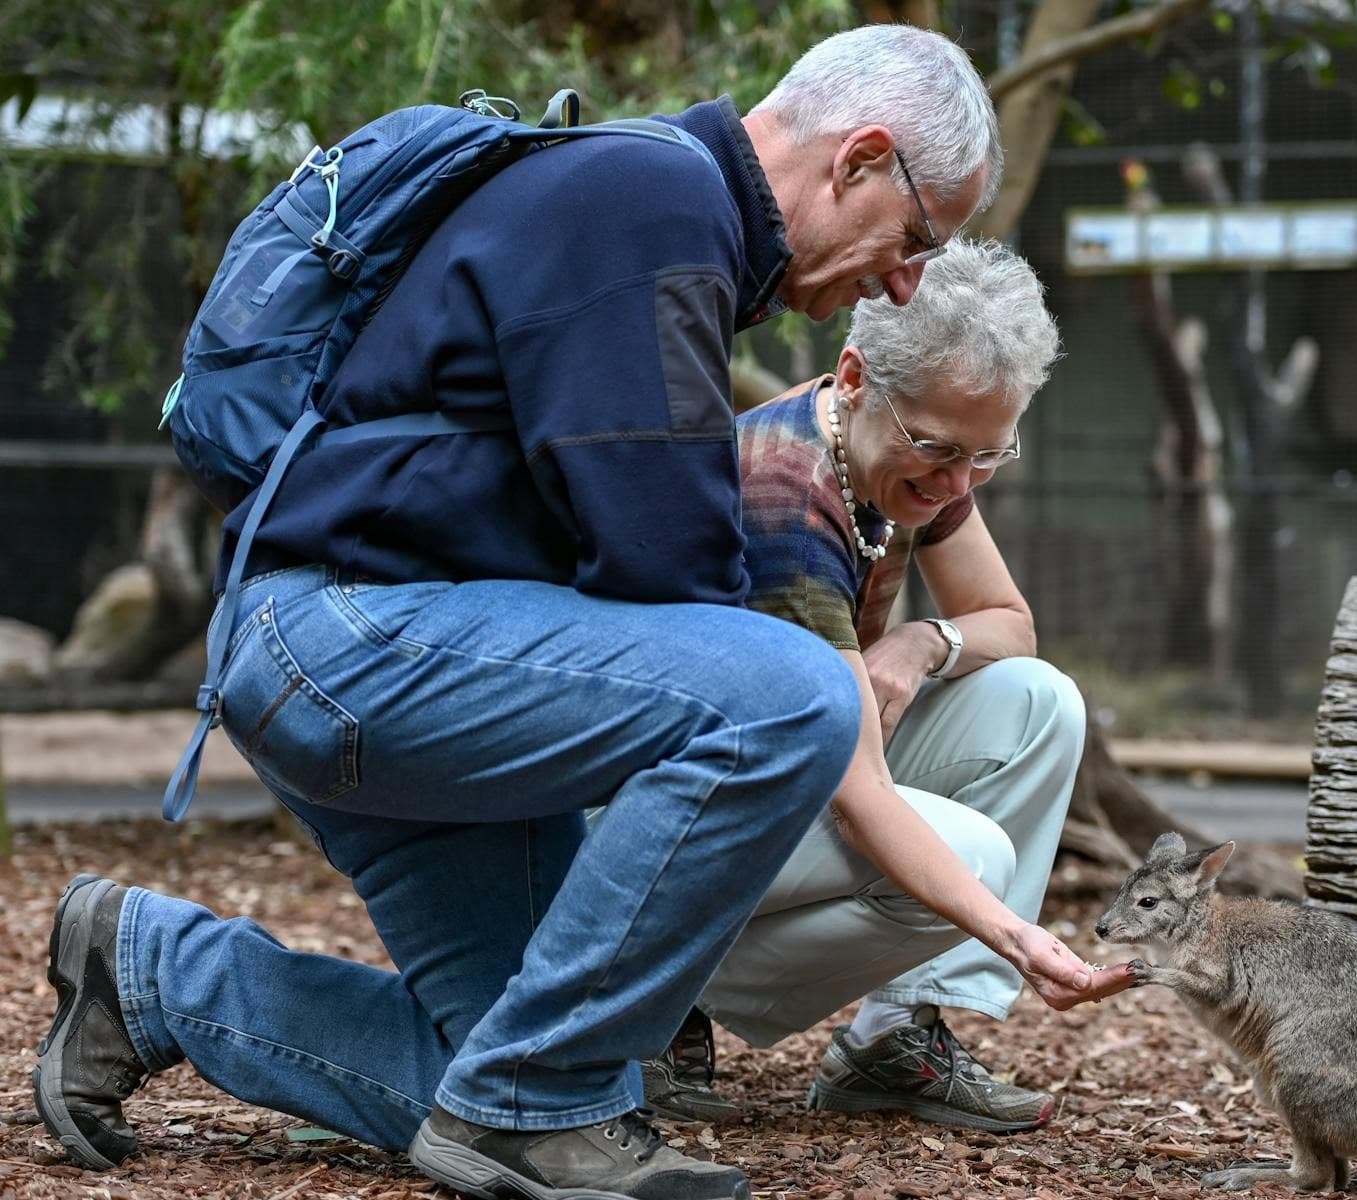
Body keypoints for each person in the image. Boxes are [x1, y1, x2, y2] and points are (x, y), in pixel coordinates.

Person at [27, 26, 1104, 1200]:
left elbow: (633, 554)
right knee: (784, 693)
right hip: (356, 643)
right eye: (914, 241)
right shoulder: (651, 200)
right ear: (861, 159)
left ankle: (154, 973)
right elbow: (666, 564)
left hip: (395, 647)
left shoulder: (656, 213)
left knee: (511, 1073)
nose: (905, 282)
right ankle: (529, 1109)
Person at [639, 239, 1133, 1132]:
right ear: (856, 375)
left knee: (1041, 702)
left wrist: (919, 640)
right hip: (665, 811)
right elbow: (858, 793)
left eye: (987, 456)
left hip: (790, 759)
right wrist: (1014, 934)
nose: (955, 484)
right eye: (939, 450)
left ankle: (894, 1038)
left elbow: (1006, 623)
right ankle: (654, 1000)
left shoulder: (915, 457)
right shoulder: (786, 494)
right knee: (976, 859)